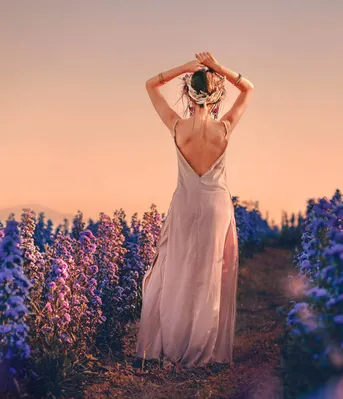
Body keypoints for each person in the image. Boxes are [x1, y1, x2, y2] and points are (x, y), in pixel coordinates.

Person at [135, 52, 254, 369]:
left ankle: (171, 344)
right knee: (210, 276)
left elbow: (150, 85)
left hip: (186, 205)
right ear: (215, 95)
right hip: (216, 206)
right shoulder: (224, 129)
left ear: (188, 93)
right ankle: (206, 349)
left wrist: (184, 69)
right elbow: (249, 89)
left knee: (176, 272)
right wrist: (218, 68)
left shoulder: (177, 127)